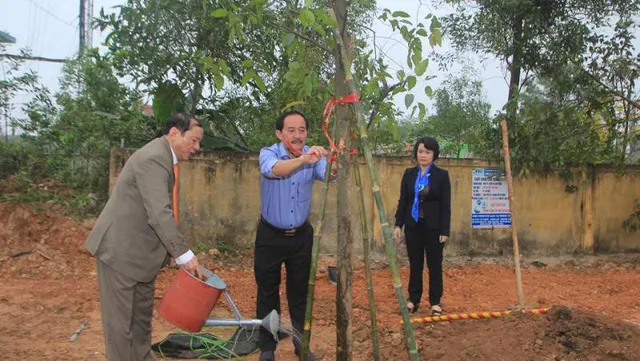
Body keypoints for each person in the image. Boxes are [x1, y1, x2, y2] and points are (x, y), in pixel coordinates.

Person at [84, 113, 205, 361]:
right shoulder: (153, 159)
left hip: (141, 258)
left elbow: (161, 212)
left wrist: (169, 253)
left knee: (140, 324)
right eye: (193, 141)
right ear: (174, 133)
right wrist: (184, 255)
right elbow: (159, 214)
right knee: (120, 328)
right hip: (120, 254)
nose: (197, 148)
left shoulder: (165, 158)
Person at [255, 110, 335, 361]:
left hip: (301, 236)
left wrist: (334, 160)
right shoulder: (268, 154)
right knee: (267, 290)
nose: (298, 135)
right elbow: (275, 170)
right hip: (270, 236)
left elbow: (328, 175)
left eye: (302, 130)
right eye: (291, 130)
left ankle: (302, 346)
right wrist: (304, 160)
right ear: (279, 133)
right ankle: (268, 348)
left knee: (300, 293)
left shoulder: (313, 155)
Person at [394, 136, 451, 316]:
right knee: (415, 264)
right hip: (413, 226)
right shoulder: (409, 174)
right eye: (420, 151)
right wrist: (398, 224)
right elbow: (403, 201)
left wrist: (444, 230)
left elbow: (445, 205)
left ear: (434, 155)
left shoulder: (442, 175)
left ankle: (435, 302)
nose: (423, 155)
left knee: (435, 265)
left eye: (427, 152)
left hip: (434, 227)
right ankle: (413, 300)